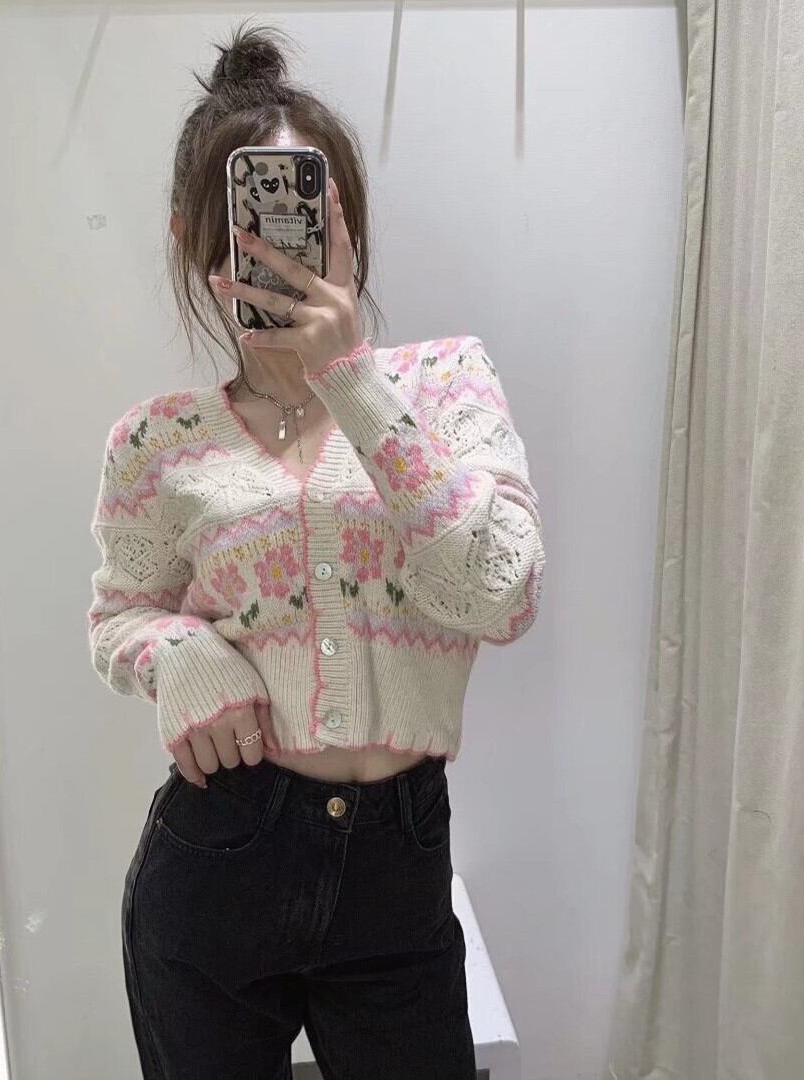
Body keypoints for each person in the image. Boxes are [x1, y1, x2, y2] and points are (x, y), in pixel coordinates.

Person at [86, 19, 546, 1079]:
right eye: (251, 217)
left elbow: (504, 593)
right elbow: (117, 617)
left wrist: (352, 380)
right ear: (196, 237)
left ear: (348, 221)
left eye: (305, 210)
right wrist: (179, 653)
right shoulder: (157, 443)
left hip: (398, 865)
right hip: (217, 857)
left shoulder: (444, 385)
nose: (279, 246)